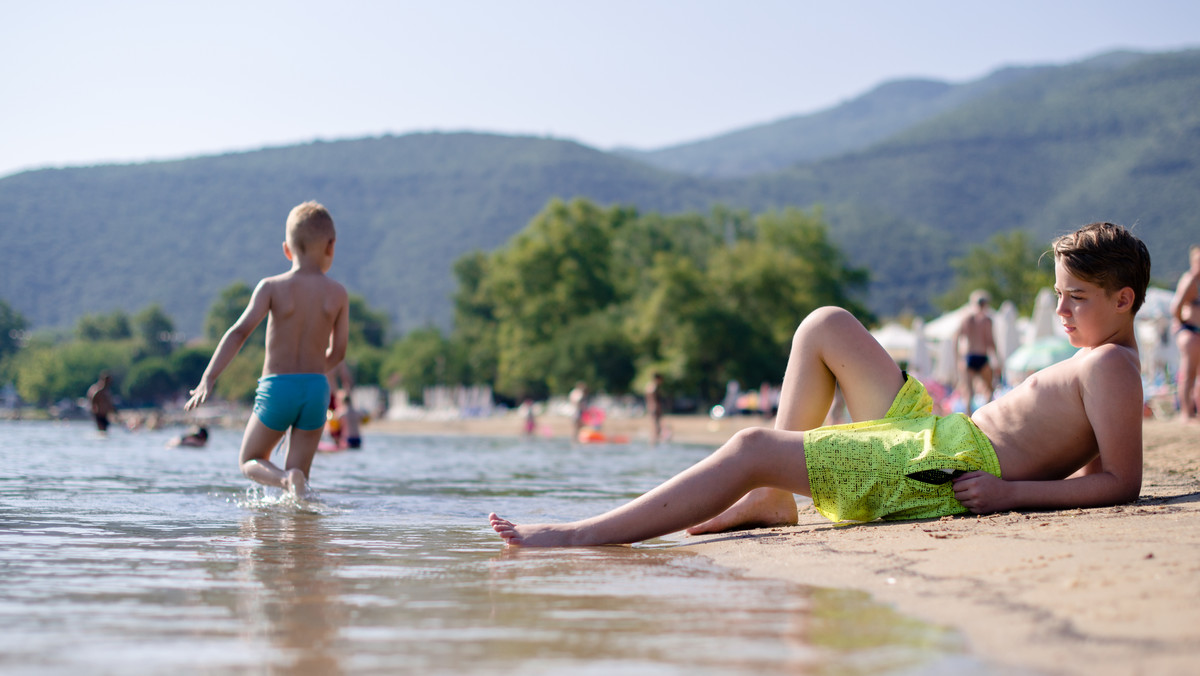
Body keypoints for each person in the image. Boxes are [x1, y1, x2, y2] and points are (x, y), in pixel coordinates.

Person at [489, 222, 1150, 547]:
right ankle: (774, 496)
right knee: (824, 325)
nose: (1062, 313)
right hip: (937, 433)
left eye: (1077, 299)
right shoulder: (1100, 360)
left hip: (947, 464)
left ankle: (576, 535)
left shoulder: (1112, 365)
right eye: (1057, 297)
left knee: (750, 444)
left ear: (1123, 299)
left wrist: (1007, 494)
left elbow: (1119, 484)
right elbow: (1084, 463)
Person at [185, 201, 349, 499]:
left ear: (287, 249)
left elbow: (239, 332)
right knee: (300, 487)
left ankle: (286, 480)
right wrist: (310, 375)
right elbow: (338, 353)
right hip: (316, 388)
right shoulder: (338, 294)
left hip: (278, 387)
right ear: (331, 247)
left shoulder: (271, 287)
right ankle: (296, 509)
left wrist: (209, 377)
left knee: (250, 460)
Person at [954, 290, 1002, 414]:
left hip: (969, 356)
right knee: (989, 390)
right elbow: (990, 342)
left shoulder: (967, 318)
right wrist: (997, 360)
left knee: (969, 393)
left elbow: (956, 337)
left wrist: (958, 357)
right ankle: (985, 415)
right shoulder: (987, 320)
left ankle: (969, 418)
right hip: (982, 356)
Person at [1170, 244, 1200, 423]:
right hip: (1189, 331)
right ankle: (1186, 412)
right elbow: (1176, 308)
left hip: (1194, 330)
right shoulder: (1190, 280)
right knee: (1188, 371)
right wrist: (1182, 325)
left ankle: (1192, 411)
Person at [645, 372, 666, 444]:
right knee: (655, 425)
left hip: (652, 407)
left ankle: (654, 441)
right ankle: (654, 441)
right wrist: (656, 407)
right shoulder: (653, 387)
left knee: (655, 425)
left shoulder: (649, 386)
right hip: (654, 408)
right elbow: (653, 399)